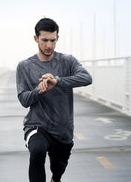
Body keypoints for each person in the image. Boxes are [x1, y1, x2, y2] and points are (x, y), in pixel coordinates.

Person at [16, 17, 92, 182]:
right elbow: (24, 100)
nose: (49, 45)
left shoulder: (67, 61)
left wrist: (57, 81)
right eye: (44, 40)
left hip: (62, 129)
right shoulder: (24, 66)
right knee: (37, 151)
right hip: (37, 125)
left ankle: (55, 178)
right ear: (36, 39)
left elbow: (87, 78)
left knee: (58, 169)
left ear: (57, 38)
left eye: (52, 40)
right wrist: (39, 89)